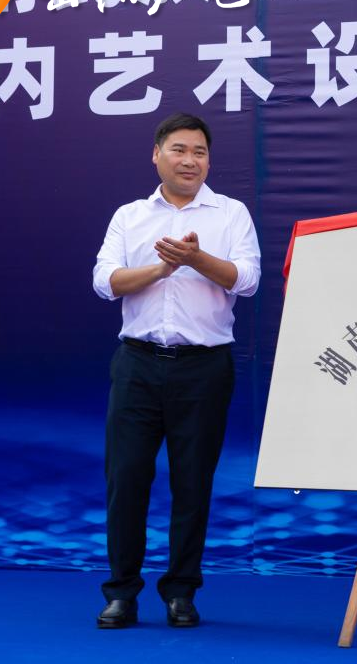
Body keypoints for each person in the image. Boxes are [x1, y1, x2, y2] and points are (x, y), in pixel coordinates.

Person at [91, 113, 261, 628]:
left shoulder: (230, 214)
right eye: (180, 150)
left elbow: (247, 279)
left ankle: (181, 592)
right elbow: (105, 281)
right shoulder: (130, 216)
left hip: (203, 369)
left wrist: (195, 259)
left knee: (193, 484)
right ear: (157, 154)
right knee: (126, 480)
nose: (190, 161)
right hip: (137, 365)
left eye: (200, 152)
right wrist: (162, 268)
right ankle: (121, 593)